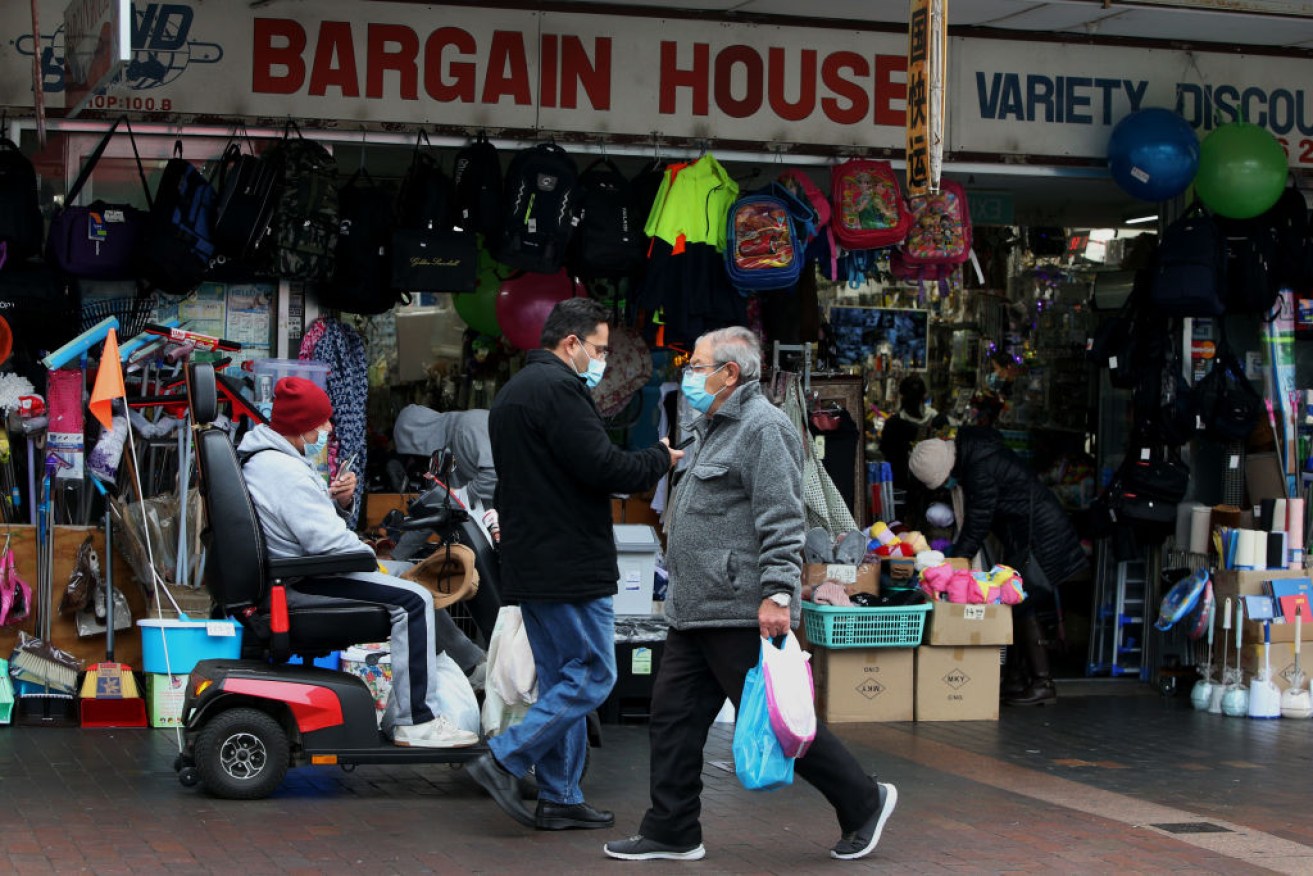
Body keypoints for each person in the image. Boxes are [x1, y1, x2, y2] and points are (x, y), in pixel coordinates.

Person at [604, 327, 896, 864]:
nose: (687, 373)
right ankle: (672, 829)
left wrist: (778, 597)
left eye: (696, 364)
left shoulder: (764, 428)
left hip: (742, 608)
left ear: (730, 373)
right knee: (672, 718)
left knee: (779, 720)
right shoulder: (709, 426)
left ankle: (863, 800)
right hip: (696, 610)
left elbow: (784, 522)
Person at [468, 298, 681, 831]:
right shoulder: (560, 391)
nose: (602, 359)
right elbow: (604, 466)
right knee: (591, 675)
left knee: (564, 678)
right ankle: (503, 758)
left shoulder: (515, 392)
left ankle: (560, 795)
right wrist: (659, 457)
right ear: (572, 344)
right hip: (566, 561)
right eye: (601, 349)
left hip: (535, 558)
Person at [237, 377, 479, 748]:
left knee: (417, 586)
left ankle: (457, 669)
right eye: (322, 422)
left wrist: (337, 503)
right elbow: (326, 542)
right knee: (414, 600)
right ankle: (416, 721)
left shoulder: (270, 459)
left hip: (302, 569)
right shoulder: (284, 472)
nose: (329, 428)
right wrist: (370, 555)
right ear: (302, 426)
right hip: (306, 579)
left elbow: (306, 523)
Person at [908, 426, 1087, 707]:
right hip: (1031, 533)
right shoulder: (977, 455)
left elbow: (978, 520)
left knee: (1022, 601)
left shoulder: (979, 469)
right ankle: (1017, 678)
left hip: (1041, 536)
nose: (947, 485)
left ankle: (1042, 682)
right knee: (1017, 601)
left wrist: (957, 559)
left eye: (944, 481)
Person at [392, 405, 496, 508]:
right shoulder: (447, 444)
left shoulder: (468, 427)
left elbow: (495, 474)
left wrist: (463, 495)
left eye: (416, 456)